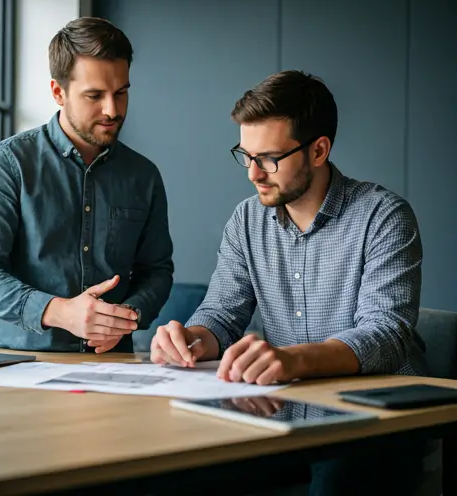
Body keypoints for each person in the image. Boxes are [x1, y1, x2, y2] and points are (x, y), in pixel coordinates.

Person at [150, 70, 426, 495]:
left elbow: (387, 335)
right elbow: (221, 314)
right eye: (246, 155)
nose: (253, 174)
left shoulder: (383, 216)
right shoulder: (246, 220)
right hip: (278, 414)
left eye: (269, 159)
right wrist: (192, 339)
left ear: (318, 150)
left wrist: (291, 360)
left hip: (375, 420)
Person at [0, 17, 173, 354]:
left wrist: (126, 317)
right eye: (94, 95)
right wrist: (60, 312)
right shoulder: (7, 163)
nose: (112, 109)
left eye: (121, 93)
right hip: (19, 368)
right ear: (58, 92)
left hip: (113, 368)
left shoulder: (144, 176)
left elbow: (156, 271)